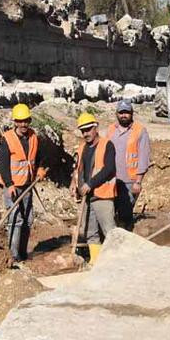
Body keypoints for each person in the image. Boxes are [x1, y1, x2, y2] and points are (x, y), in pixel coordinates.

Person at [0, 103, 47, 261]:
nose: (23, 124)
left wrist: (40, 170)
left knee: (28, 219)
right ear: (15, 122)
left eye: (26, 121)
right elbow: (3, 164)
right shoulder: (8, 139)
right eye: (20, 121)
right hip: (13, 186)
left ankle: (23, 253)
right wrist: (9, 184)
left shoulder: (33, 136)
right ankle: (13, 255)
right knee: (15, 220)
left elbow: (39, 157)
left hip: (27, 185)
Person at [70, 112, 117, 264]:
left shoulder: (107, 145)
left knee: (110, 232)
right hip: (87, 197)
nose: (86, 133)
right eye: (83, 131)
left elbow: (109, 169)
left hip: (102, 195)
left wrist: (90, 184)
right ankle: (95, 262)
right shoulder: (82, 147)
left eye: (88, 129)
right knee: (90, 232)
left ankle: (116, 261)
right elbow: (78, 168)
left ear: (95, 128)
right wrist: (74, 182)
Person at [107, 100, 150, 231]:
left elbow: (144, 157)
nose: (124, 115)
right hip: (111, 179)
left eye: (126, 113)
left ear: (131, 114)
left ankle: (126, 238)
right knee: (111, 213)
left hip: (129, 181)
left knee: (125, 214)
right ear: (116, 114)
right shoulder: (111, 130)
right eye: (121, 113)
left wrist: (138, 181)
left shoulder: (139, 131)